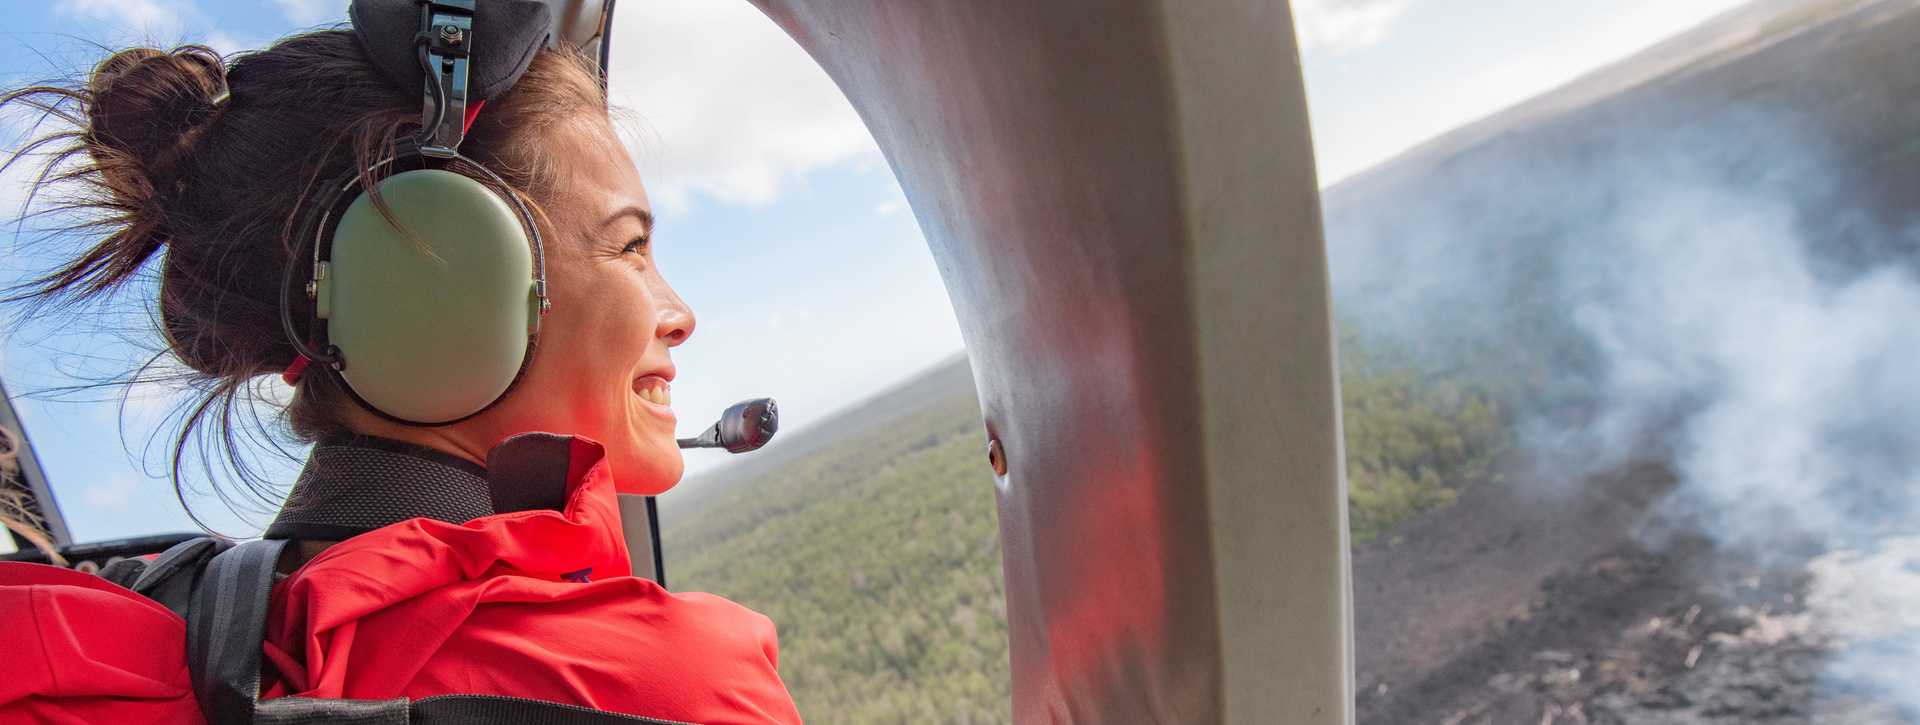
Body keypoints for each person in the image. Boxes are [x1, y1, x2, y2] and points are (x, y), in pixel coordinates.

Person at [0, 20, 802, 725]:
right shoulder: (669, 684)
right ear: (436, 279)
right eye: (630, 246)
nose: (680, 312)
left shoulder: (136, 626)